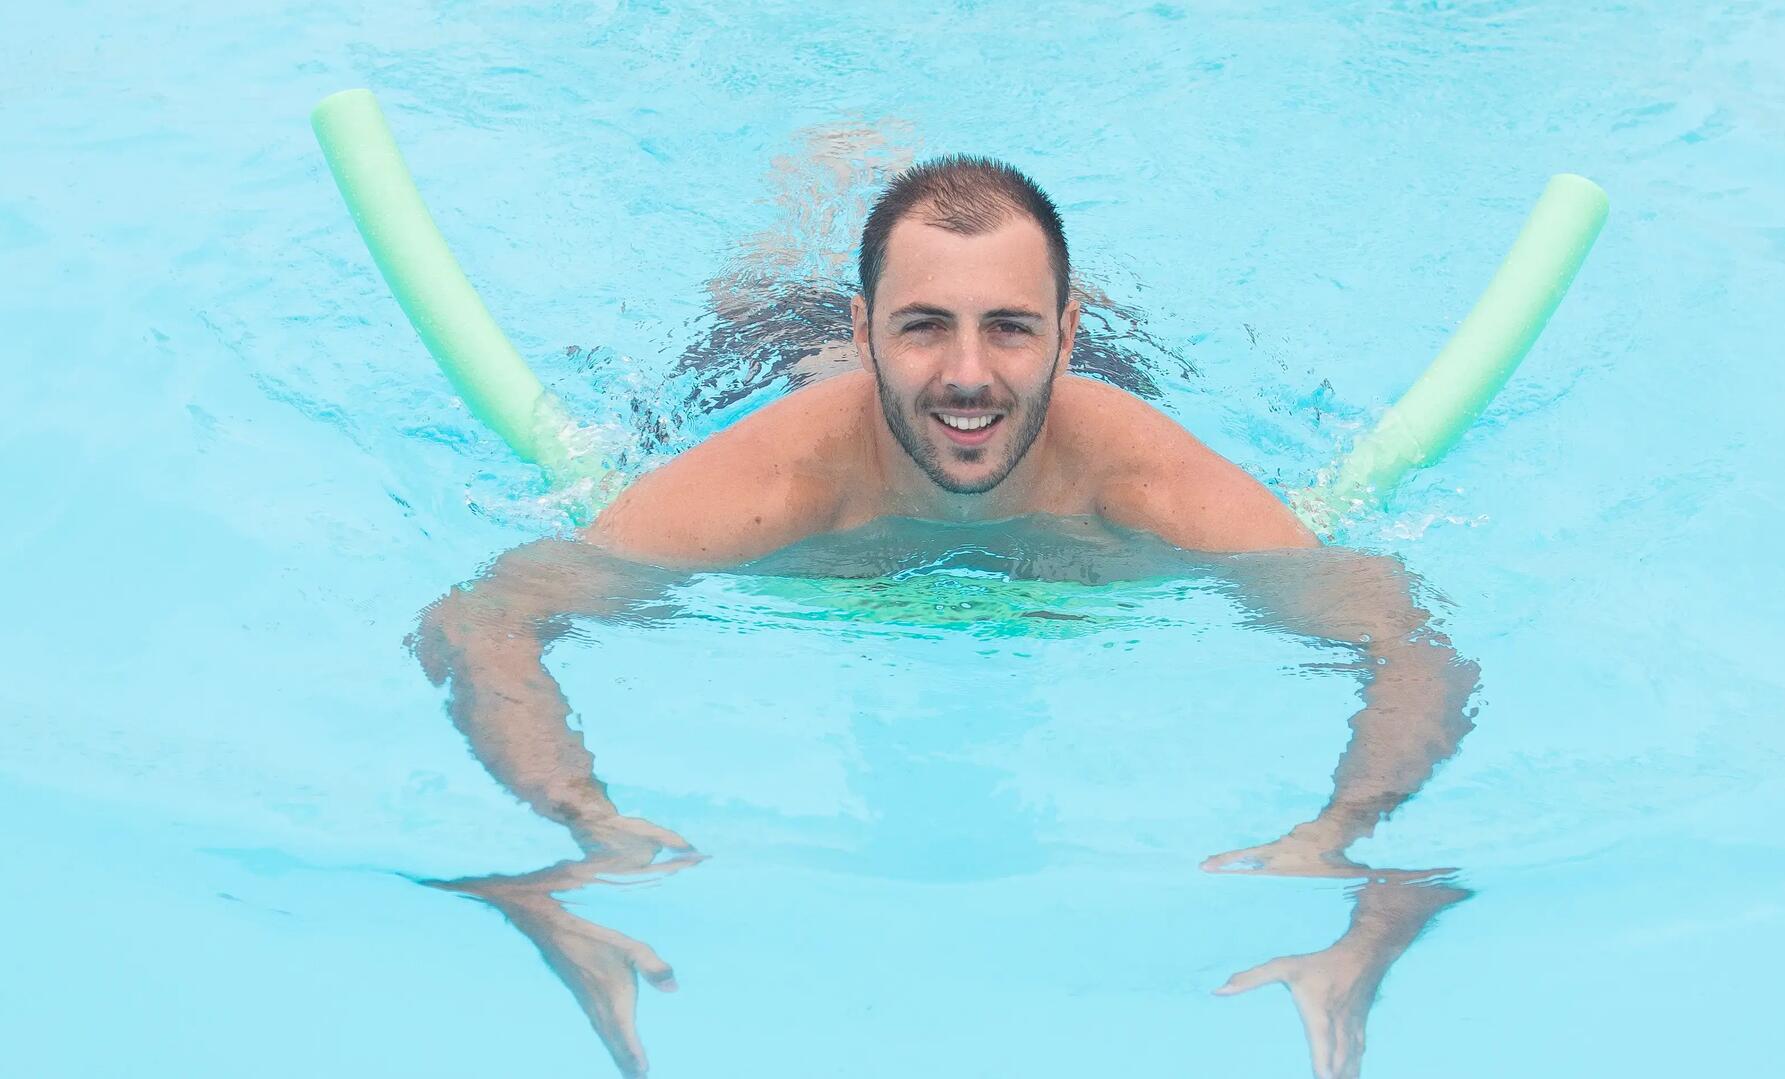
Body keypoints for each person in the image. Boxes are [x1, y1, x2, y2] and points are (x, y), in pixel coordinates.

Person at [412, 154, 1479, 1078]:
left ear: (1066, 333)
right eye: (921, 326)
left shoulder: (1145, 476)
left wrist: (1350, 853)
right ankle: (827, 170)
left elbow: (1406, 632)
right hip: (777, 367)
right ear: (866, 327)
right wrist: (579, 828)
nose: (967, 374)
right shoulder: (774, 484)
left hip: (1077, 406)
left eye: (1010, 328)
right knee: (759, 291)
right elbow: (483, 615)